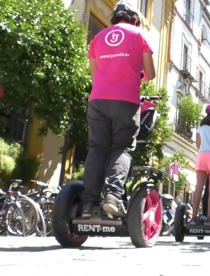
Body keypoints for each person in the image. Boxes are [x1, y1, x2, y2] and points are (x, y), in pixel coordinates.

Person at [82, 0, 155, 217]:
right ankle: (113, 196)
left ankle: (87, 204)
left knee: (96, 148)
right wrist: (135, 75)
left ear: (115, 17)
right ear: (134, 18)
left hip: (98, 100)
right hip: (126, 100)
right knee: (122, 148)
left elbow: (94, 73)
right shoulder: (139, 35)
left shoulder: (97, 38)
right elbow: (150, 74)